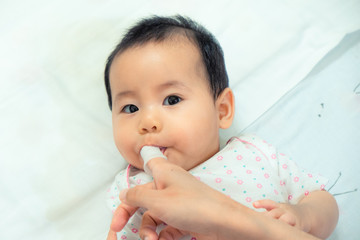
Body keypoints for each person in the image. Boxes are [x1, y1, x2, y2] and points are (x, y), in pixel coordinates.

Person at [104, 15, 338, 239]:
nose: (147, 123)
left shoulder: (253, 154)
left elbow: (323, 201)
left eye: (172, 99)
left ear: (222, 110)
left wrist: (303, 216)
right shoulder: (131, 189)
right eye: (131, 108)